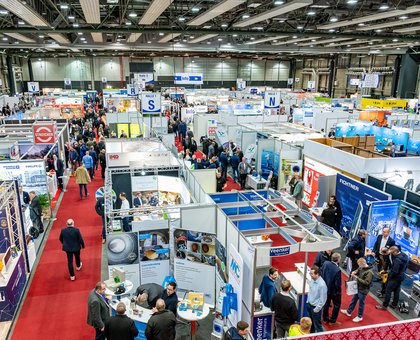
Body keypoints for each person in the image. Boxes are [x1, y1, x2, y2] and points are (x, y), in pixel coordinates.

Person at [376, 246, 409, 311]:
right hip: (401, 276)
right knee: (397, 290)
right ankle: (394, 304)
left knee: (388, 291)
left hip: (395, 277)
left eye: (392, 253)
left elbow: (394, 271)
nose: (392, 254)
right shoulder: (404, 255)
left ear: (395, 252)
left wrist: (389, 275)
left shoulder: (397, 260)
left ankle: (384, 306)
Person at [341, 257, 373, 322]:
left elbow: (366, 283)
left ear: (363, 263)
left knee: (361, 303)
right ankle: (349, 311)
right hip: (358, 287)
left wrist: (357, 278)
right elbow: (357, 270)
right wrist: (354, 272)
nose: (359, 266)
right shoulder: (361, 267)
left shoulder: (370, 272)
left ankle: (359, 316)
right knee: (354, 300)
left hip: (363, 290)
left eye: (359, 265)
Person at [321, 253, 342, 326]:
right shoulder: (337, 270)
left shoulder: (326, 263)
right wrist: (339, 291)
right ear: (338, 260)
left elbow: (322, 272)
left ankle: (325, 318)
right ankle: (332, 321)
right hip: (334, 291)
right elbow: (337, 284)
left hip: (325, 288)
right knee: (337, 305)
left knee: (326, 304)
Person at [306, 266, 327, 333]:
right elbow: (311, 290)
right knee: (311, 323)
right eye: (310, 273)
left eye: (312, 273)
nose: (310, 275)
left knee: (318, 326)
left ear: (317, 274)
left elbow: (323, 299)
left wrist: (317, 309)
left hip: (315, 308)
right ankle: (312, 335)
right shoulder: (312, 279)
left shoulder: (322, 285)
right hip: (309, 305)